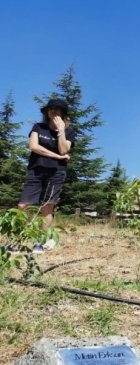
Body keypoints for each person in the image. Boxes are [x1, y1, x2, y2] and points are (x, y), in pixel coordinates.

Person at [17, 98, 75, 252]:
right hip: (36, 170)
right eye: (50, 109)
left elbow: (64, 150)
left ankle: (39, 242)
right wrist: (56, 156)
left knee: (47, 207)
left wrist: (61, 131)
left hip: (56, 173)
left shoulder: (69, 132)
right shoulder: (38, 127)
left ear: (63, 114)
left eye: (57, 109)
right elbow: (33, 146)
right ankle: (16, 240)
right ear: (46, 112)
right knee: (22, 205)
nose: (53, 112)